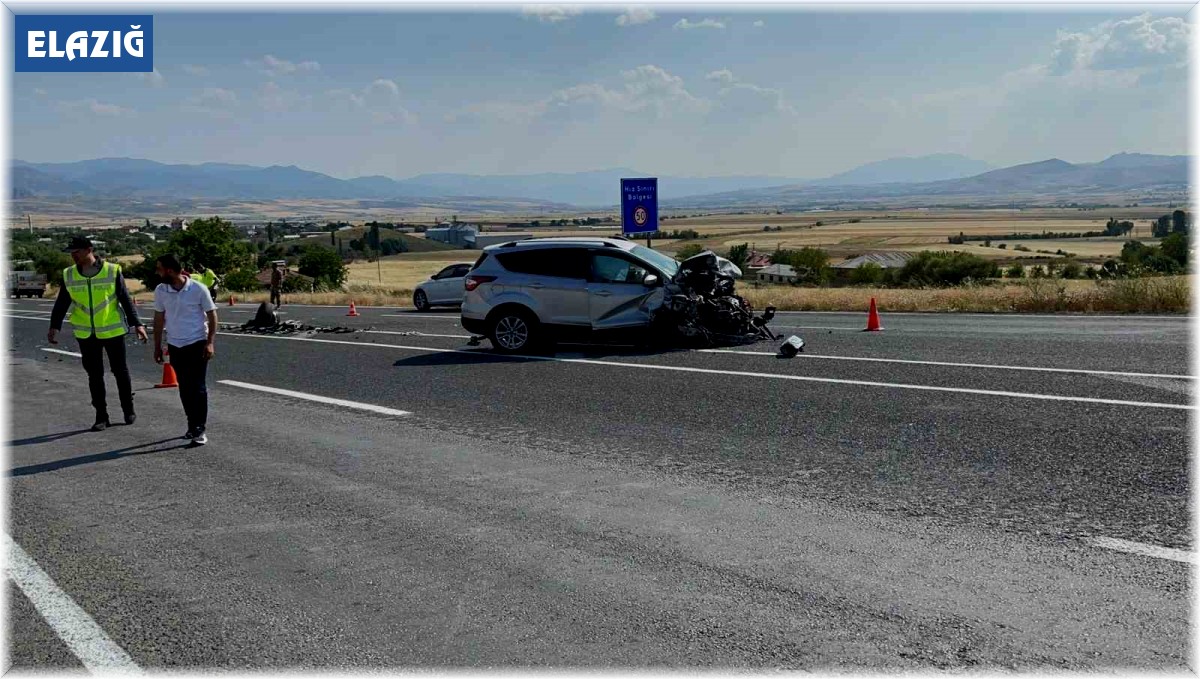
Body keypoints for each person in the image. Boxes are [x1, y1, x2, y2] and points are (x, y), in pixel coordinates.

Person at [48, 235, 148, 431]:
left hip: (112, 330)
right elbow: (62, 302)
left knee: (120, 371)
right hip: (86, 333)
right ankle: (101, 415)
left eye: (76, 252)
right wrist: (54, 326)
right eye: (71, 253)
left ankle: (128, 409)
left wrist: (137, 324)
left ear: (89, 250)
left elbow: (125, 299)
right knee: (94, 375)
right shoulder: (69, 274)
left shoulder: (112, 270)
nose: (73, 256)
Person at [152, 253, 218, 445]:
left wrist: (210, 342)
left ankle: (199, 428)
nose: (157, 272)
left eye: (159, 268)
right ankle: (191, 424)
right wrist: (157, 346)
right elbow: (158, 319)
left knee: (197, 387)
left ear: (169, 270)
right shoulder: (161, 290)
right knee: (184, 388)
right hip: (175, 344)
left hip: (197, 342)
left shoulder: (198, 289)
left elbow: (212, 316)